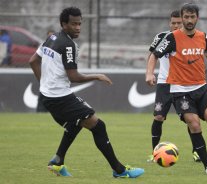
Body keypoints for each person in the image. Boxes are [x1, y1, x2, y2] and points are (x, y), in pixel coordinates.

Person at [29, 7, 144, 178]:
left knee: (74, 125)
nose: (78, 28)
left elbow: (33, 61)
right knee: (99, 126)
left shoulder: (51, 38)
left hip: (50, 95)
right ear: (64, 24)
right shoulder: (68, 45)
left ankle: (57, 162)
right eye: (73, 24)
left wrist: (44, 84)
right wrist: (97, 76)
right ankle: (119, 171)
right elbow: (73, 76)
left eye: (79, 24)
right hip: (60, 97)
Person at [146, 3, 207, 175]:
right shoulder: (172, 38)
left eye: (192, 17)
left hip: (201, 88)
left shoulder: (203, 36)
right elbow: (154, 55)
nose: (189, 20)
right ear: (182, 17)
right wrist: (149, 74)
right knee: (194, 125)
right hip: (180, 91)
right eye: (186, 17)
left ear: (197, 18)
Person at [146, 10, 200, 163]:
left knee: (190, 119)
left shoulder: (189, 37)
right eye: (173, 23)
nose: (176, 25)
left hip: (182, 84)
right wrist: (149, 73)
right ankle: (154, 152)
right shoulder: (161, 37)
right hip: (164, 83)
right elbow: (151, 55)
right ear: (169, 23)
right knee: (158, 117)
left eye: (179, 23)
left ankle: (196, 151)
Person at [36, 29, 55, 112]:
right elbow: (35, 59)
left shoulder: (58, 46)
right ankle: (40, 111)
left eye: (52, 36)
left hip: (54, 76)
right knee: (43, 94)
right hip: (45, 75)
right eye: (49, 36)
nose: (50, 37)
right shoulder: (43, 46)